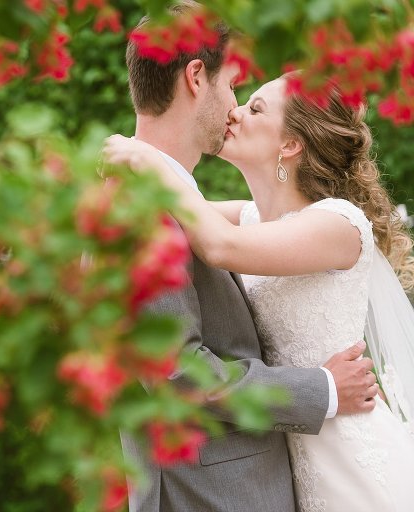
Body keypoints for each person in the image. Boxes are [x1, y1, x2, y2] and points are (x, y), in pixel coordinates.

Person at [105, 70, 414, 509]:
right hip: (288, 449)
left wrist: (148, 161)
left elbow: (217, 244)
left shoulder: (338, 224)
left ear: (290, 145)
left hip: (345, 441)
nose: (235, 111)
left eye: (256, 109)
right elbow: (164, 216)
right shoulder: (249, 219)